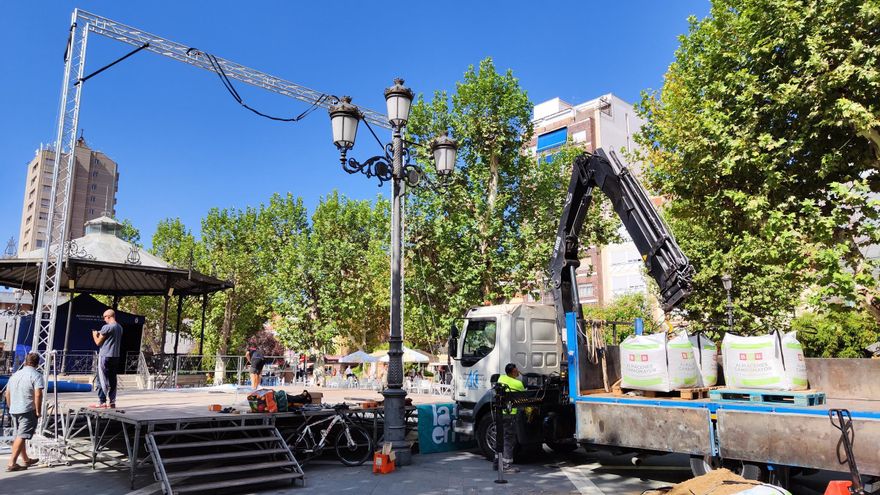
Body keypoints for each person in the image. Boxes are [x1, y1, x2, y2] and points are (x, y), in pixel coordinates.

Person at [5, 352, 43, 471]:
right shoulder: (36, 375)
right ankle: (12, 463)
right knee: (22, 436)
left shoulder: (15, 375)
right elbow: (38, 394)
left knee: (18, 436)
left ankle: (26, 459)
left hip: (14, 408)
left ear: (25, 361)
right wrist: (38, 410)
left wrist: (10, 406)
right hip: (27, 409)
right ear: (37, 363)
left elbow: (7, 393)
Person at [496, 362, 525, 474]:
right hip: (510, 414)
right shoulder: (518, 383)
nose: (518, 370)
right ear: (513, 372)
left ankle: (497, 462)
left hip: (500, 413)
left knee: (500, 437)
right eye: (516, 369)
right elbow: (524, 396)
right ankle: (506, 465)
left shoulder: (501, 378)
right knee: (509, 439)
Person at [91, 308, 123, 408]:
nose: (104, 319)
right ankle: (112, 401)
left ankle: (102, 401)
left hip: (105, 355)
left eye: (104, 317)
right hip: (115, 355)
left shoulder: (107, 327)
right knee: (113, 379)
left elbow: (98, 342)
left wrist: (94, 335)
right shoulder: (119, 327)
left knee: (102, 379)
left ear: (108, 317)